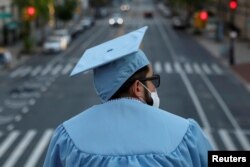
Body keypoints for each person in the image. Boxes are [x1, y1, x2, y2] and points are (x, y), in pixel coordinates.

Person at [44, 26, 212, 167]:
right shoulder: (185, 133)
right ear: (138, 87)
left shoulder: (67, 137)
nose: (154, 87)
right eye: (152, 80)